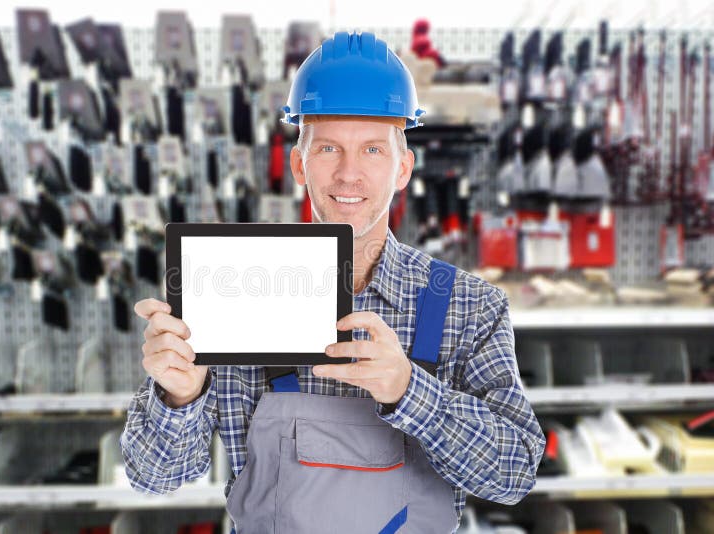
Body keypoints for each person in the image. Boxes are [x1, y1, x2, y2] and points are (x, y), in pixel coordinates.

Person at [121, 31, 545, 534]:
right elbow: (153, 478)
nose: (349, 174)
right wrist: (179, 398)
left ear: (403, 167)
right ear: (299, 164)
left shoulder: (467, 306)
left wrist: (410, 391)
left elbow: (515, 474)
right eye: (327, 148)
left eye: (371, 149)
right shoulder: (233, 292)